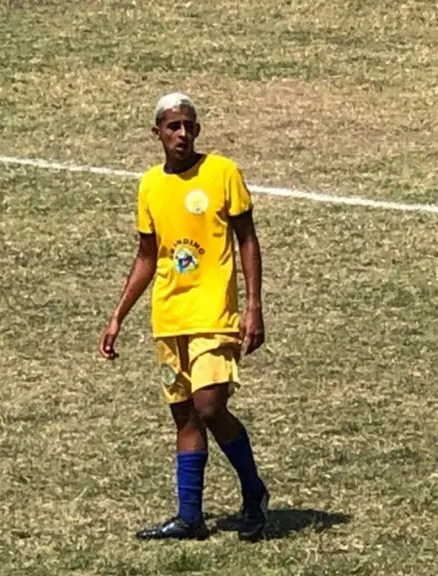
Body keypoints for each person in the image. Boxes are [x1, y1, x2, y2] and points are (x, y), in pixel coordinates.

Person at [98, 92, 270, 540]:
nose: (182, 134)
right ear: (156, 133)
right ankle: (190, 516)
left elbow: (247, 240)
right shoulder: (150, 186)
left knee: (210, 406)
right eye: (173, 126)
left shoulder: (223, 173)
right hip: (169, 315)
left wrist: (253, 306)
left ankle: (254, 492)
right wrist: (118, 316)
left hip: (214, 314)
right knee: (185, 417)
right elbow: (147, 255)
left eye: (189, 126)